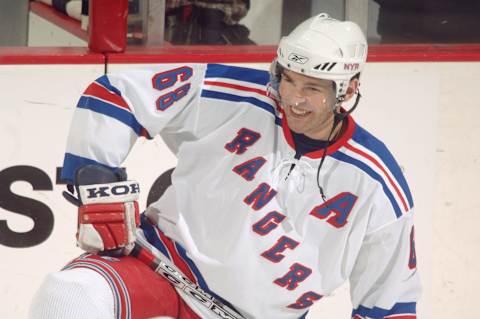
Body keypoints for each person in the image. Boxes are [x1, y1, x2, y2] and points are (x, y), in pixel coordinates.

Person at [29, 13, 421, 319]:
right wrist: (97, 179)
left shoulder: (375, 183)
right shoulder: (234, 96)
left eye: (313, 89)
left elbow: (390, 303)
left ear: (347, 89)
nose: (294, 99)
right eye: (288, 81)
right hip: (158, 269)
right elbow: (117, 95)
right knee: (69, 297)